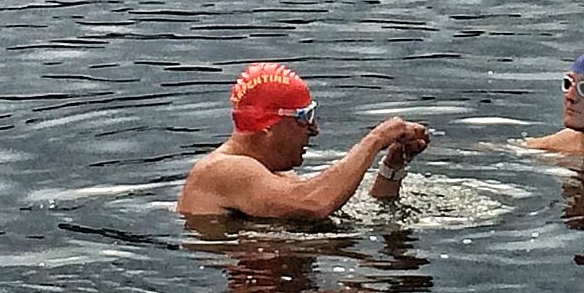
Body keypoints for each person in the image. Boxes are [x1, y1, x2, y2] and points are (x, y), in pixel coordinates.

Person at [177, 62, 428, 218]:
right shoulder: (222, 170)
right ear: (268, 125)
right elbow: (314, 205)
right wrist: (376, 138)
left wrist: (391, 169)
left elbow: (367, 210)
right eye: (304, 117)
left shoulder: (278, 177)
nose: (314, 129)